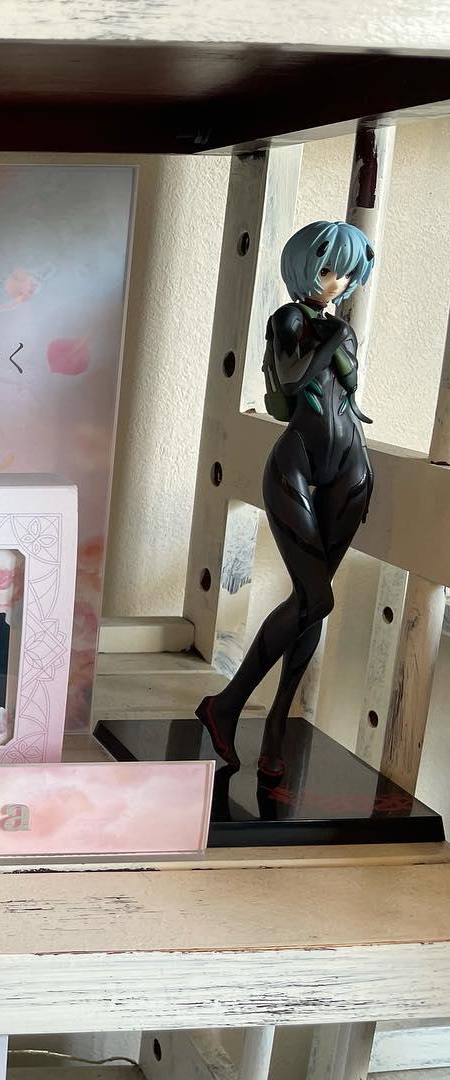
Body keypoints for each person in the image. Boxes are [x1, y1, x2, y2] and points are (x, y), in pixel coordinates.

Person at [198, 220, 376, 773]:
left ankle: (276, 720)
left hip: (351, 465)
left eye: (347, 272)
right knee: (316, 598)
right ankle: (227, 705)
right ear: (305, 268)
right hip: (295, 460)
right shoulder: (289, 319)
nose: (337, 281)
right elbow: (293, 379)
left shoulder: (336, 326)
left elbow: (350, 388)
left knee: (310, 600)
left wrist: (340, 342)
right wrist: (334, 341)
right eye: (329, 269)